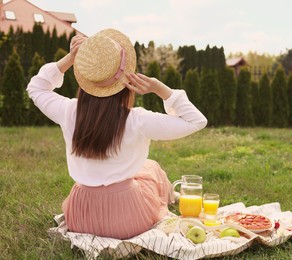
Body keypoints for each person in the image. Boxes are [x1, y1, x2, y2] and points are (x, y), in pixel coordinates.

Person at [27, 28, 207, 239]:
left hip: (81, 216)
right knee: (151, 168)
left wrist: (70, 58)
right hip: (128, 219)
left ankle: (172, 195)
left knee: (146, 169)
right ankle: (174, 196)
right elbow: (196, 120)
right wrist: (159, 88)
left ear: (86, 79)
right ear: (126, 82)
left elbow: (36, 88)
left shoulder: (68, 111)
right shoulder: (138, 119)